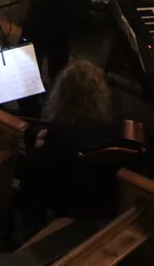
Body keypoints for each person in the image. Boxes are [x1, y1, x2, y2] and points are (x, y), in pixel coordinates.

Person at [21, 60, 125, 220]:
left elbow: (42, 168)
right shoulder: (114, 122)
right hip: (100, 191)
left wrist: (37, 147)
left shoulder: (61, 130)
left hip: (67, 195)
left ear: (63, 93)